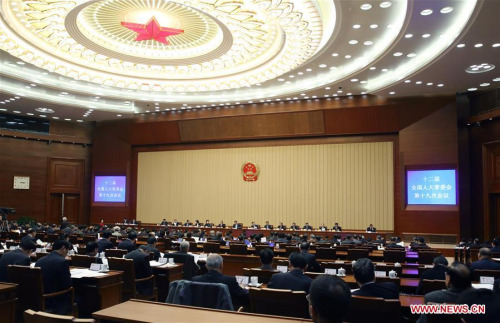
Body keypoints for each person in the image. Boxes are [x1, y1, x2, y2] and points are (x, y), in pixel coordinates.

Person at [35, 240, 73, 314]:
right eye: (67, 251)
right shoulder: (62, 262)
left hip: (41, 298)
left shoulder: (40, 260)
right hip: (56, 300)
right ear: (63, 248)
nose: (67, 254)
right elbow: (68, 285)